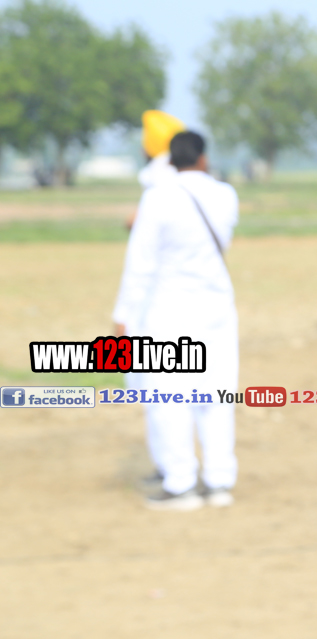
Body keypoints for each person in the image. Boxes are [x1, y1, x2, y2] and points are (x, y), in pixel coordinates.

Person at [112, 131, 240, 511]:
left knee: (170, 397)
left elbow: (140, 263)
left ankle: (181, 483)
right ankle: (219, 482)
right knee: (216, 394)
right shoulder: (226, 195)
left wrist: (122, 315)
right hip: (216, 308)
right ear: (203, 158)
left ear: (169, 160)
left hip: (168, 311)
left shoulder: (158, 197)